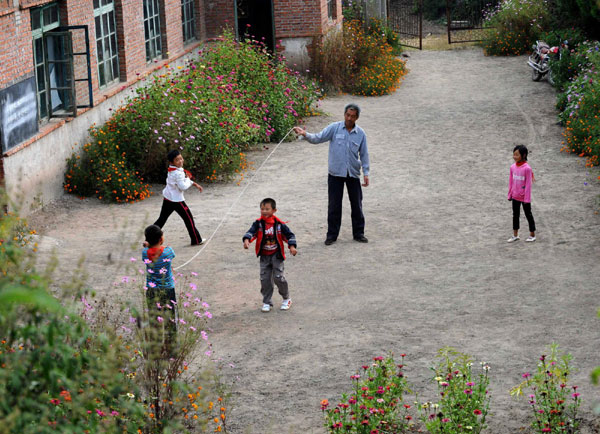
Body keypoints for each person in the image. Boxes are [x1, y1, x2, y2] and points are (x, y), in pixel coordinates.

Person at [293, 103, 370, 246]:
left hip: (353, 173)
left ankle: (359, 233)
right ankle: (332, 235)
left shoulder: (361, 134)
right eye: (347, 115)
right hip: (335, 173)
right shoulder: (334, 128)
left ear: (357, 118)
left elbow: (364, 154)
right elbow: (318, 138)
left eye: (353, 116)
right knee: (334, 205)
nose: (349, 118)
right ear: (344, 114)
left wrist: (366, 173)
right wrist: (305, 134)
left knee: (357, 205)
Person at [243, 198, 297, 313]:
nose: (264, 211)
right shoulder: (258, 223)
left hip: (276, 256)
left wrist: (292, 246)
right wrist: (247, 240)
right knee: (265, 279)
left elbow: (289, 235)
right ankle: (267, 301)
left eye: (267, 209)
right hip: (264, 257)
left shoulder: (279, 224)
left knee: (279, 278)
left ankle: (286, 298)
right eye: (262, 209)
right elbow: (251, 232)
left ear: (274, 210)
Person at [154, 149, 203, 246]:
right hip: (176, 200)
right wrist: (189, 180)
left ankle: (150, 237)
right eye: (177, 160)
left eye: (181, 158)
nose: (180, 161)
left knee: (162, 219)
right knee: (189, 219)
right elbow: (183, 186)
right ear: (172, 162)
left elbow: (182, 180)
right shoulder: (177, 172)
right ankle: (196, 240)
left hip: (168, 198)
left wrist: (193, 183)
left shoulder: (172, 169)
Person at [142, 224, 177, 356]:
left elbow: (147, 248)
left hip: (151, 291)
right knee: (170, 319)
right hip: (167, 290)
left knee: (154, 319)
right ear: (161, 239)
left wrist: (147, 245)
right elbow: (168, 251)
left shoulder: (145, 253)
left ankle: (155, 348)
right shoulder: (168, 252)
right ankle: (171, 349)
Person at [507, 144, 536, 243]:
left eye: (517, 155)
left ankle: (532, 234)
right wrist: (510, 193)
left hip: (524, 198)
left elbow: (528, 185)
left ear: (523, 155)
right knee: (515, 215)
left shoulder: (527, 169)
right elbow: (511, 181)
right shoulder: (512, 167)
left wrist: (527, 199)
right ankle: (515, 235)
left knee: (528, 214)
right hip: (515, 196)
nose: (514, 157)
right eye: (514, 154)